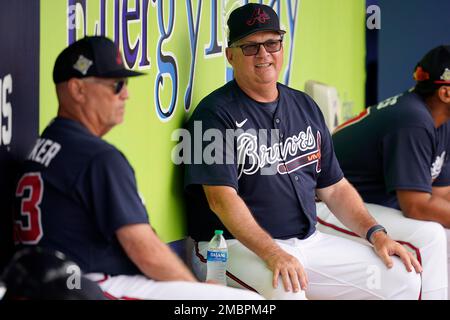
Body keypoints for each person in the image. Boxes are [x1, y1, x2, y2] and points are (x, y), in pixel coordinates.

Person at [184, 3, 422, 300]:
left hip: (309, 243)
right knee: (288, 288)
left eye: (272, 43)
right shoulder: (213, 115)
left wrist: (376, 234)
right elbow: (221, 200)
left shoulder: (304, 105)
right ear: (231, 55)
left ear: (282, 47)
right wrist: (272, 253)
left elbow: (334, 189)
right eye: (250, 47)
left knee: (401, 277)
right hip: (230, 248)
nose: (264, 54)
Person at [12, 36, 263, 300]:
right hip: (94, 286)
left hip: (56, 284)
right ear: (77, 90)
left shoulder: (46, 145)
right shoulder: (96, 157)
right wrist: (196, 290)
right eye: (116, 85)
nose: (126, 94)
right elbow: (145, 251)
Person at [319, 45, 450, 300]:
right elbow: (417, 207)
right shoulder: (413, 119)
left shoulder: (438, 121)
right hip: (324, 206)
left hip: (364, 207)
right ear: (445, 93)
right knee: (432, 236)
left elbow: (441, 194)